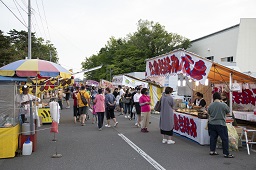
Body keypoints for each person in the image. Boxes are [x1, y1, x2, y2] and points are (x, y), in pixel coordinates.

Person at [207, 92, 234, 158]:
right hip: (221, 124)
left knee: (213, 137)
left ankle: (212, 151)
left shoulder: (210, 105)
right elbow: (228, 111)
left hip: (212, 123)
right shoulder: (223, 105)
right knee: (224, 138)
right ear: (220, 97)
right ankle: (226, 153)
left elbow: (208, 113)